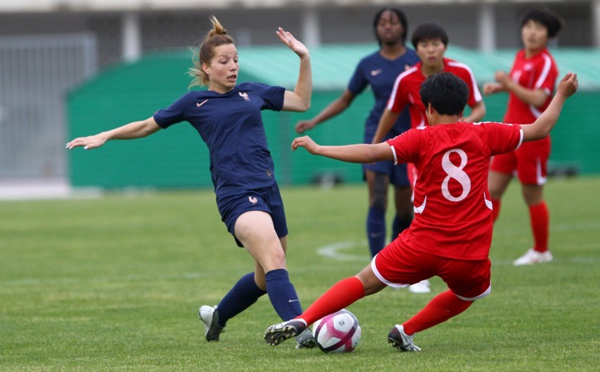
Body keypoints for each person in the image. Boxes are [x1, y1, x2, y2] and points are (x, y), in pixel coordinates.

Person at [263, 71, 578, 351]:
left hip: (421, 245)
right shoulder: (486, 133)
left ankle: (304, 320)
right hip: (469, 253)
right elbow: (540, 127)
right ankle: (406, 330)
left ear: (428, 108)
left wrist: (319, 149)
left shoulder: (420, 137)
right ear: (464, 107)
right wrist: (561, 94)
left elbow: (373, 153)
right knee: (469, 295)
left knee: (364, 282)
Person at [66, 16, 317, 349]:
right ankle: (303, 331)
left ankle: (217, 316)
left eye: (236, 60)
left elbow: (301, 101)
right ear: (207, 68)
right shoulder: (194, 104)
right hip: (237, 196)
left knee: (263, 277)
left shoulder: (252, 92)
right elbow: (145, 126)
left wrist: (304, 57)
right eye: (224, 61)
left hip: (269, 191)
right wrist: (106, 135)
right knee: (275, 257)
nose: (233, 67)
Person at [295, 8, 421, 289]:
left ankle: (400, 260)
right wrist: (314, 120)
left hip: (410, 137)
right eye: (382, 23)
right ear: (377, 29)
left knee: (405, 208)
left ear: (403, 27)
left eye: (393, 22)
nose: (388, 27)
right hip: (376, 134)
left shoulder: (417, 59)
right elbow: (345, 99)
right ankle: (378, 265)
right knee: (377, 199)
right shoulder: (368, 63)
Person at [372, 22, 487, 294]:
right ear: (416, 49)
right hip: (424, 152)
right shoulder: (406, 78)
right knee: (419, 202)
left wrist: (463, 127)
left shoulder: (462, 71)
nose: (430, 49)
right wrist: (376, 143)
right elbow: (391, 111)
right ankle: (419, 273)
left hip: (461, 152)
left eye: (436, 43)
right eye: (424, 45)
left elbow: (479, 107)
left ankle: (459, 256)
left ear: (445, 46)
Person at [483, 8, 563, 266]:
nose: (531, 32)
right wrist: (500, 88)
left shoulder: (546, 62)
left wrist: (507, 83)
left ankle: (541, 250)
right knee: (491, 190)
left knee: (532, 196)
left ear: (548, 34)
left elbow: (540, 98)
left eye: (538, 28)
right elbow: (521, 91)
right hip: (510, 135)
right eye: (528, 26)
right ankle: (475, 245)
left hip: (533, 137)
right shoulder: (520, 56)